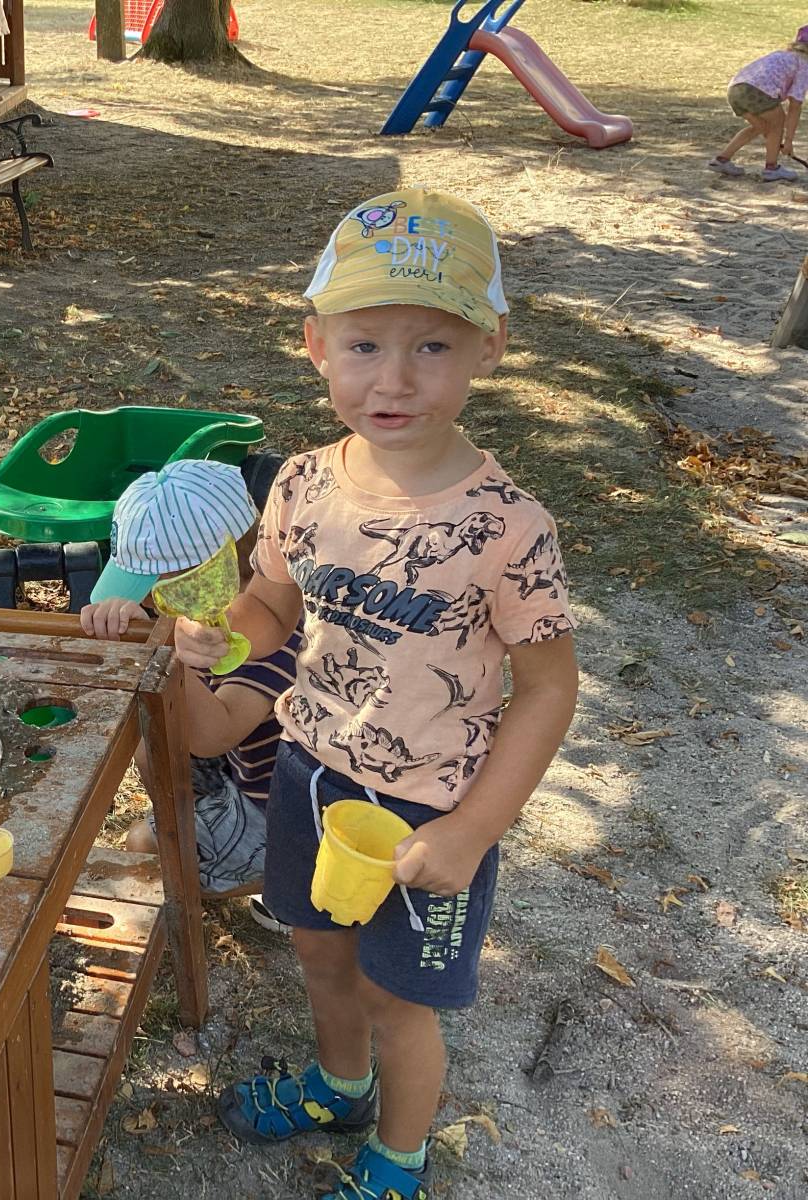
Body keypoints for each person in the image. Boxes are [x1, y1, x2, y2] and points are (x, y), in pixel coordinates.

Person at [177, 189, 579, 1200]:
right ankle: (338, 1088)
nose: (393, 379)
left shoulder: (508, 528)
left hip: (428, 810)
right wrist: (222, 635)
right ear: (315, 344)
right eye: (363, 345)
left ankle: (399, 1160)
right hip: (309, 775)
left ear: (489, 347)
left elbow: (547, 690)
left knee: (398, 997)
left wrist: (472, 831)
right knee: (320, 958)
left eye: (431, 347)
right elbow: (274, 602)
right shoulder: (302, 483)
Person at [79, 459, 301, 919]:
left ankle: (291, 882)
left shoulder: (272, 633)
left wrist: (161, 651)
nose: (144, 599)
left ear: (202, 575)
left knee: (145, 844)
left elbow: (212, 735)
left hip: (277, 809)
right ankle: (206, 830)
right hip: (242, 768)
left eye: (153, 585)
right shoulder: (216, 606)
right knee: (152, 750)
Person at [708, 25, 808, 181]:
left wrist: (776, 138)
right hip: (757, 91)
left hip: (735, 89)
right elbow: (795, 106)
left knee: (762, 127)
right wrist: (788, 141)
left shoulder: (783, 55)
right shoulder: (804, 65)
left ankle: (721, 160)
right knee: (777, 122)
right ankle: (771, 168)